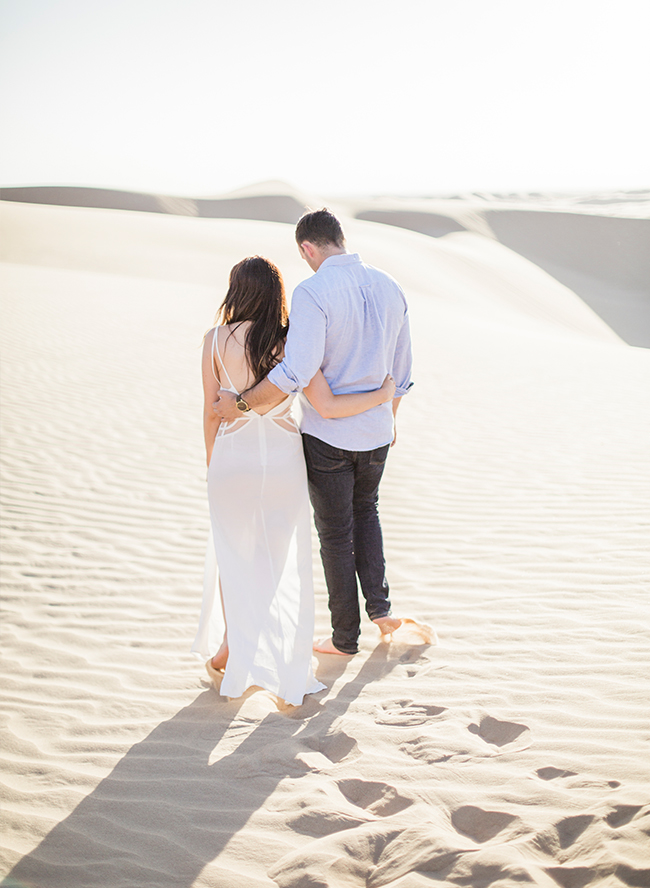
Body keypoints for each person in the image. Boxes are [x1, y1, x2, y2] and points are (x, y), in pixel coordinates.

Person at [192, 256, 396, 705]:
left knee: (233, 553)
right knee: (281, 560)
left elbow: (211, 412)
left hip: (231, 457)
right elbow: (321, 400)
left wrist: (214, 464)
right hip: (284, 460)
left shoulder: (211, 342)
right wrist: (384, 396)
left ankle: (233, 646)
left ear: (235, 290)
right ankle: (278, 655)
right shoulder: (288, 342)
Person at [214, 210, 414, 656]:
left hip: (329, 437)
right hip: (379, 431)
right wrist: (391, 416)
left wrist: (243, 403)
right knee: (368, 512)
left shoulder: (313, 291)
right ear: (340, 238)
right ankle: (380, 611)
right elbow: (401, 373)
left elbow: (296, 371)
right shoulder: (389, 285)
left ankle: (345, 639)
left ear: (307, 248)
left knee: (336, 534)